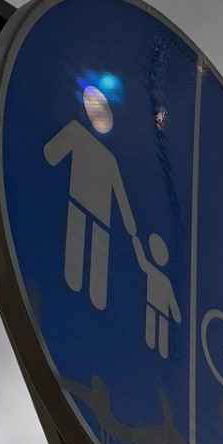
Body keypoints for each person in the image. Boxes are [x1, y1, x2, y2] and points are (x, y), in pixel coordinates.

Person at [43, 115, 137, 312]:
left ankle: (82, 292)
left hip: (90, 209)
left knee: (85, 255)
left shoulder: (82, 137)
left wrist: (130, 226)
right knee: (88, 256)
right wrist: (130, 227)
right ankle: (83, 294)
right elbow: (51, 153)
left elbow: (51, 154)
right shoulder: (84, 139)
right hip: (91, 210)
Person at [133, 232, 182, 359]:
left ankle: (156, 352)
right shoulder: (160, 276)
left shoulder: (165, 280)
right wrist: (136, 243)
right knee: (151, 336)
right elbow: (142, 263)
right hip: (152, 305)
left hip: (162, 311)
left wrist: (176, 315)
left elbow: (172, 300)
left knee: (161, 337)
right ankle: (151, 352)